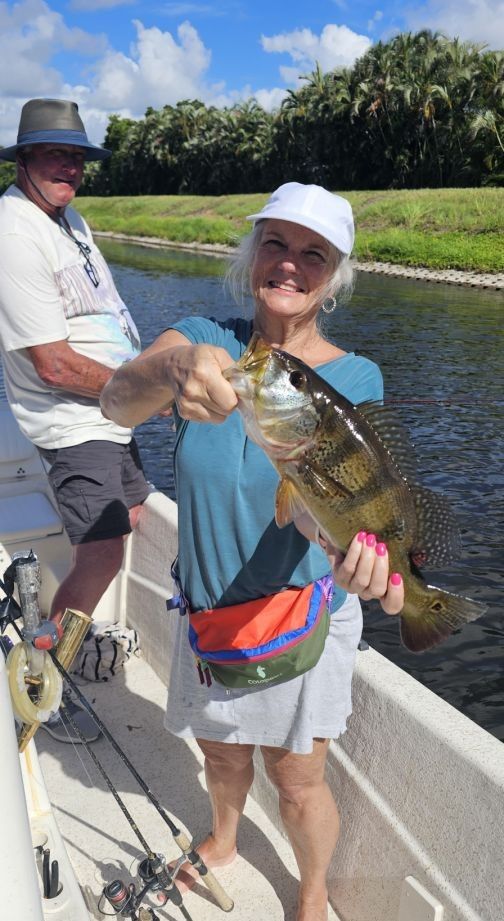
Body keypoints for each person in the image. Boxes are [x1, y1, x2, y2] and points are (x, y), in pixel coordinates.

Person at [100, 181, 404, 920]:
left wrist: (361, 561)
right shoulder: (204, 334)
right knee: (222, 755)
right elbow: (115, 400)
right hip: (208, 609)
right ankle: (226, 838)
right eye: (276, 243)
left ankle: (310, 891)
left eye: (313, 253)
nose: (290, 265)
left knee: (297, 780)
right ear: (251, 253)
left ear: (335, 275)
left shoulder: (355, 378)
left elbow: (316, 509)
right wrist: (171, 371)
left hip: (304, 613)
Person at [0, 99, 150, 744]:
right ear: (25, 159)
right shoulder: (14, 232)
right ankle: (44, 680)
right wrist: (155, 388)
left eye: (79, 156)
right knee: (103, 551)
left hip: (112, 415)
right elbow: (56, 366)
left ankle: (69, 629)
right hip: (73, 420)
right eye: (55, 154)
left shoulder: (67, 218)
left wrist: (142, 384)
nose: (70, 167)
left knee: (135, 517)